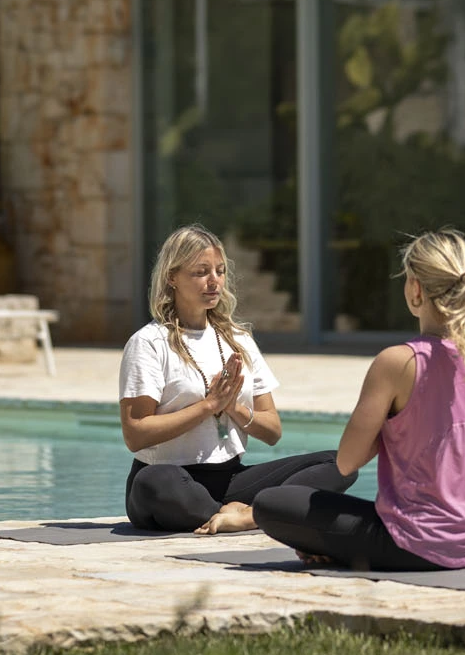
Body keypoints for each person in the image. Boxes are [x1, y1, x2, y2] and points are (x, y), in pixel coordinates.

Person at [253, 230, 465, 570]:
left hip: (415, 545)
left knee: (272, 502)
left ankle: (337, 549)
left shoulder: (398, 362)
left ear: (416, 289)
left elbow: (346, 461)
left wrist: (393, 429)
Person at [119, 225, 356, 533]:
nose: (214, 281)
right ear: (172, 277)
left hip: (230, 479)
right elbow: (135, 434)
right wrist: (209, 406)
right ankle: (250, 513)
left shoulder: (238, 340)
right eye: (201, 272)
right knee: (154, 481)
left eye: (219, 271)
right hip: (170, 481)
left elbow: (272, 431)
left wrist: (233, 408)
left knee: (341, 463)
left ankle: (244, 515)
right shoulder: (149, 342)